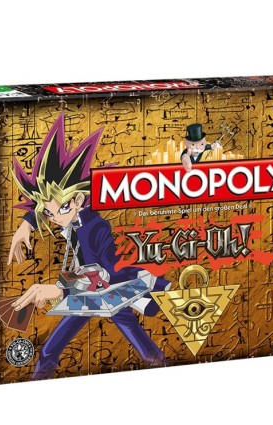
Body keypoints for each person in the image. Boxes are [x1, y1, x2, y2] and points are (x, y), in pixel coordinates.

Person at [9, 114, 169, 380]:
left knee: (51, 350)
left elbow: (106, 275)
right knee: (50, 351)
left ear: (79, 200)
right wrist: (27, 223)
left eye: (61, 209)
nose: (55, 218)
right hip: (94, 293)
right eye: (48, 214)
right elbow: (48, 203)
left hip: (112, 291)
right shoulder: (71, 212)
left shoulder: (94, 228)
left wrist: (59, 289)